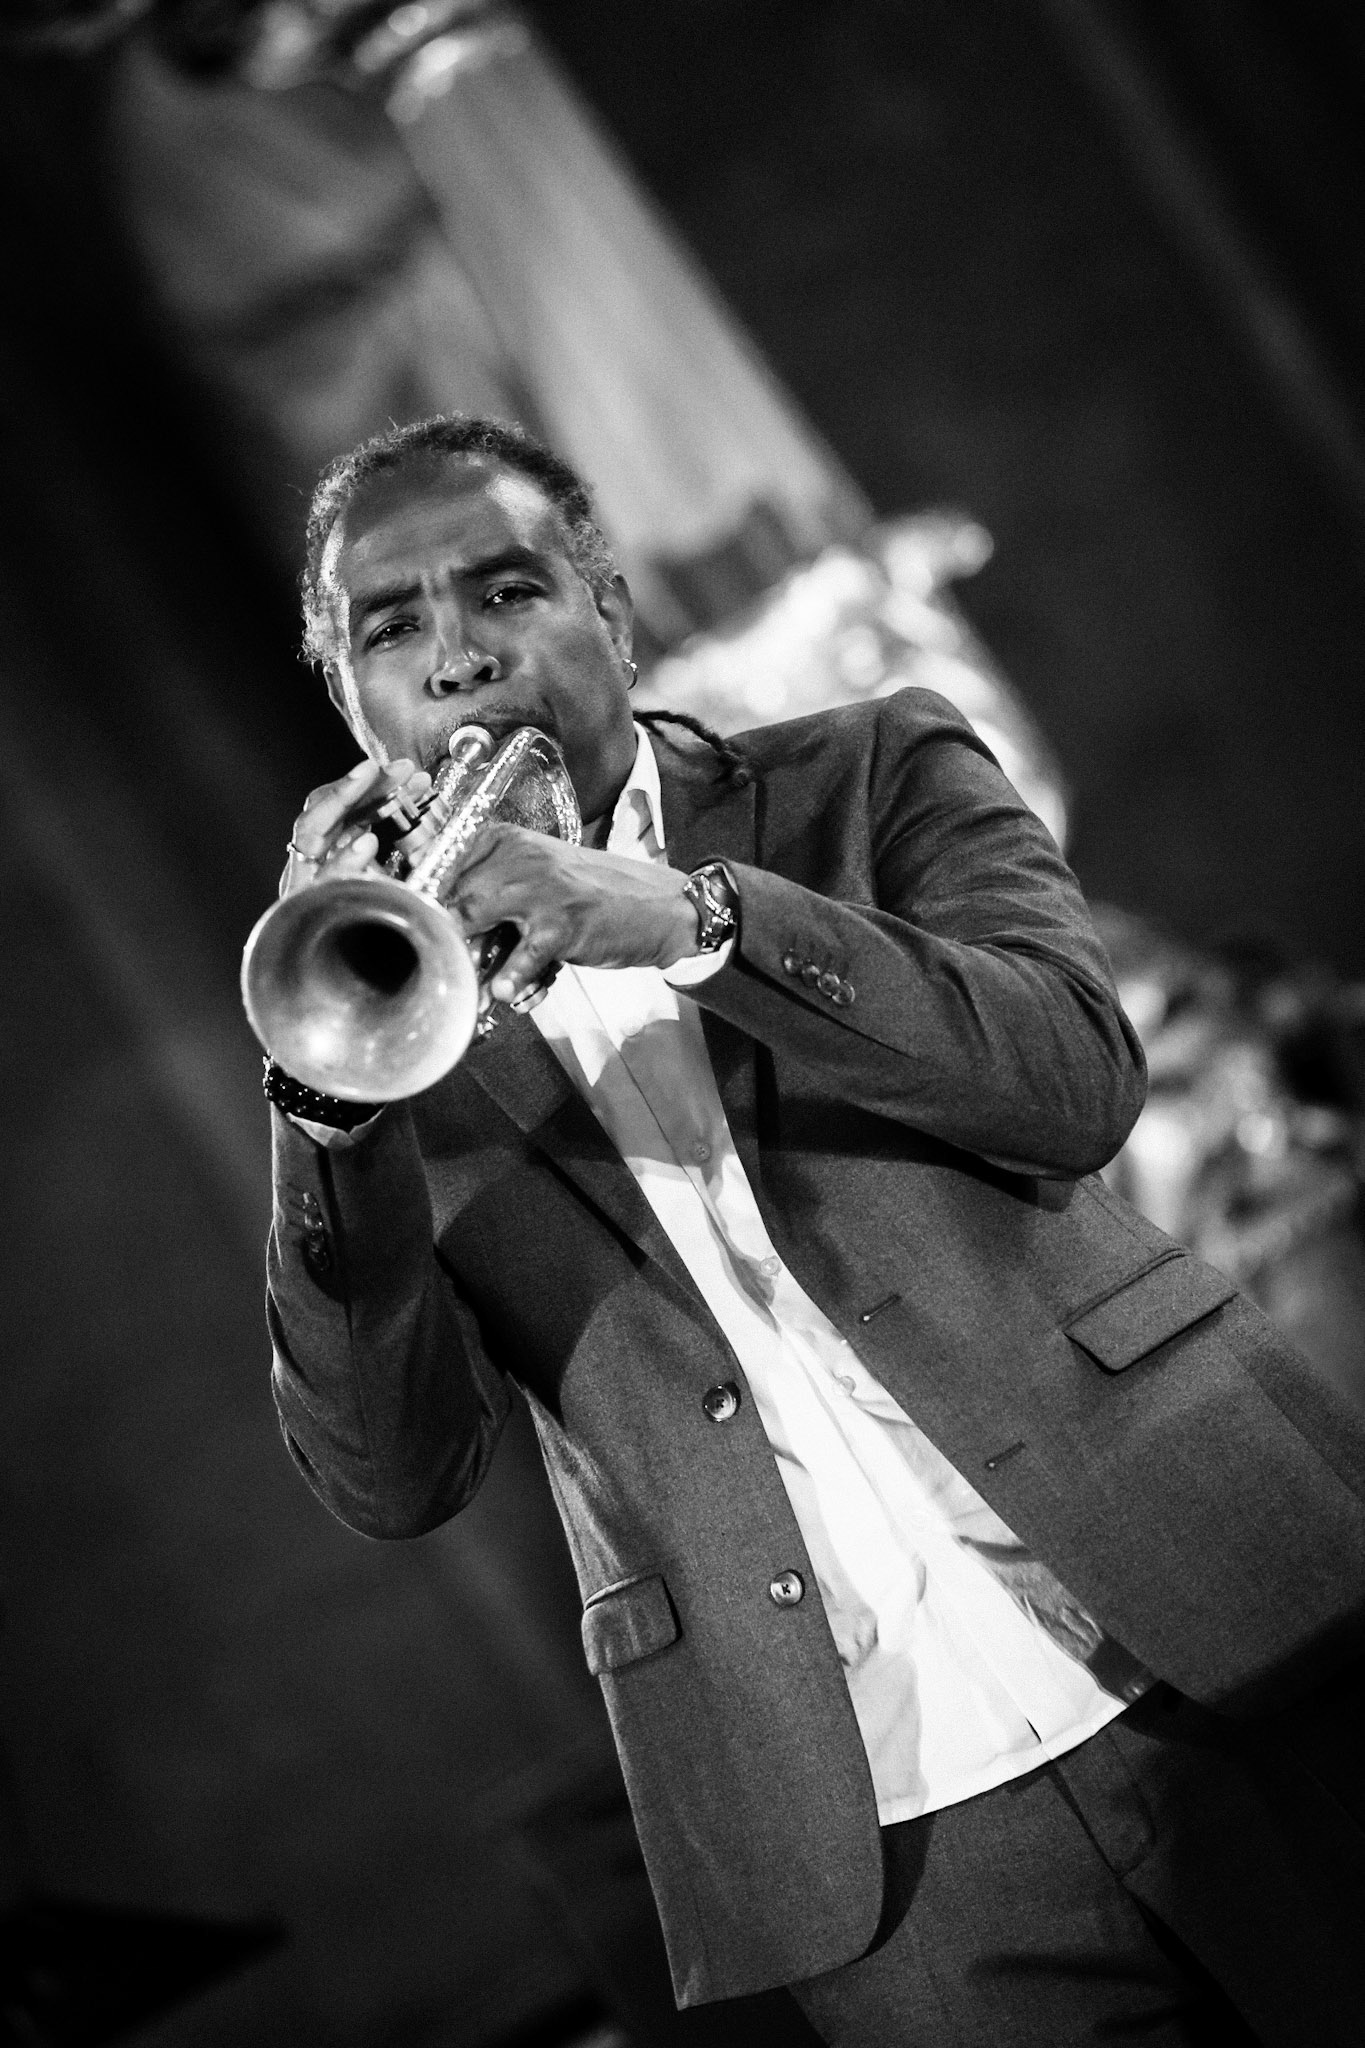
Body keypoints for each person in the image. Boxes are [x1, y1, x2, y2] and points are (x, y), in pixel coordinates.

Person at [265, 415, 1365, 2046]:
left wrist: (698, 926)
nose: (456, 657)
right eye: (393, 625)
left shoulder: (868, 774)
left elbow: (1072, 1082)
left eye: (505, 591)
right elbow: (390, 1473)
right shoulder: (361, 1003)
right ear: (346, 692)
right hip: (885, 1844)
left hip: (1225, 1627)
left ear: (610, 612)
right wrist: (325, 1116)